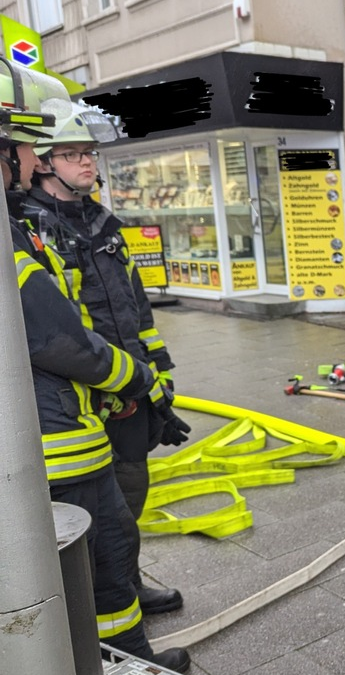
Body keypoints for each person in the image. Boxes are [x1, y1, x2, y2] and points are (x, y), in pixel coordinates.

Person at [0, 58, 190, 672]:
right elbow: (65, 332)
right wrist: (120, 382)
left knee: (123, 508)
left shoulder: (107, 225)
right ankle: (109, 621)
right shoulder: (31, 228)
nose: (88, 163)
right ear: (45, 162)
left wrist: (158, 387)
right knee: (96, 531)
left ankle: (128, 586)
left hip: (125, 390)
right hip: (83, 403)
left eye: (90, 153)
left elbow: (137, 315)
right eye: (73, 153)